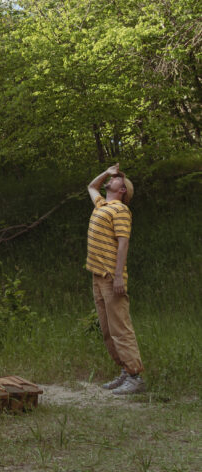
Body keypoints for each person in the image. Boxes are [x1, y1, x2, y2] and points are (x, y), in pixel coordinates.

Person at [86, 162, 146, 395]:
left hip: (112, 277)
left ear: (123, 191)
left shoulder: (120, 210)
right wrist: (107, 172)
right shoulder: (102, 204)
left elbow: (123, 243)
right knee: (107, 329)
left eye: (118, 178)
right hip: (97, 276)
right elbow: (91, 186)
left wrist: (119, 276)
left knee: (120, 328)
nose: (114, 178)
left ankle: (135, 377)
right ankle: (125, 371)